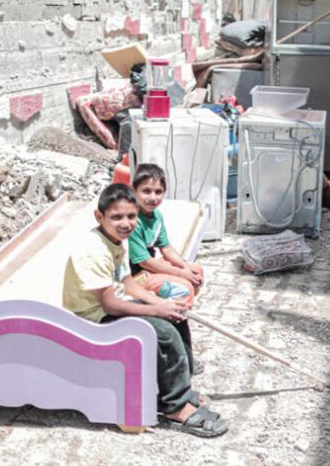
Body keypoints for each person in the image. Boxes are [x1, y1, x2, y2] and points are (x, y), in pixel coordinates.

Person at [62, 184, 229, 437]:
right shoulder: (94, 250)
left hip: (112, 307)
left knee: (177, 317)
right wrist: (156, 312)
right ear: (99, 217)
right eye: (116, 217)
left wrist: (160, 303)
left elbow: (128, 284)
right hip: (93, 319)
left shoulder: (117, 241)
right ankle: (175, 408)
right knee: (163, 333)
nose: (125, 223)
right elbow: (110, 305)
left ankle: (177, 388)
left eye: (131, 216)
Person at [128, 164, 205, 294]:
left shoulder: (156, 216)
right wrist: (180, 273)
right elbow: (145, 262)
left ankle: (181, 304)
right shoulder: (131, 221)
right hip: (133, 275)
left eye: (158, 192)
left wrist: (185, 267)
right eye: (146, 191)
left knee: (196, 270)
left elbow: (166, 248)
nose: (153, 198)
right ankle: (171, 305)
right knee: (185, 287)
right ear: (133, 191)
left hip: (148, 266)